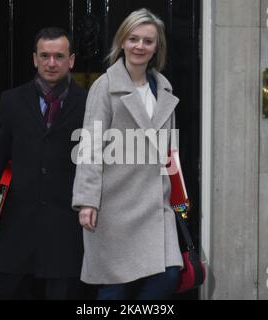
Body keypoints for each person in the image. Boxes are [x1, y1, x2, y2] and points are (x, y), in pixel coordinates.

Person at [72, 8, 183, 300]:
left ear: (156, 46)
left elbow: (171, 152)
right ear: (122, 41)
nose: (140, 46)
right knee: (115, 287)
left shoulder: (164, 88)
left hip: (155, 205)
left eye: (148, 41)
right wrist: (86, 200)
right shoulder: (105, 87)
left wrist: (179, 195)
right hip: (114, 205)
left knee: (169, 274)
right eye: (133, 39)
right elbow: (90, 146)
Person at [0, 27, 87, 299]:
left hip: (65, 223)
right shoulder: (12, 100)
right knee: (6, 291)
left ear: (71, 60)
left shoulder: (88, 103)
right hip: (17, 219)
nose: (51, 63)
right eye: (45, 56)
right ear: (34, 59)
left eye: (59, 56)